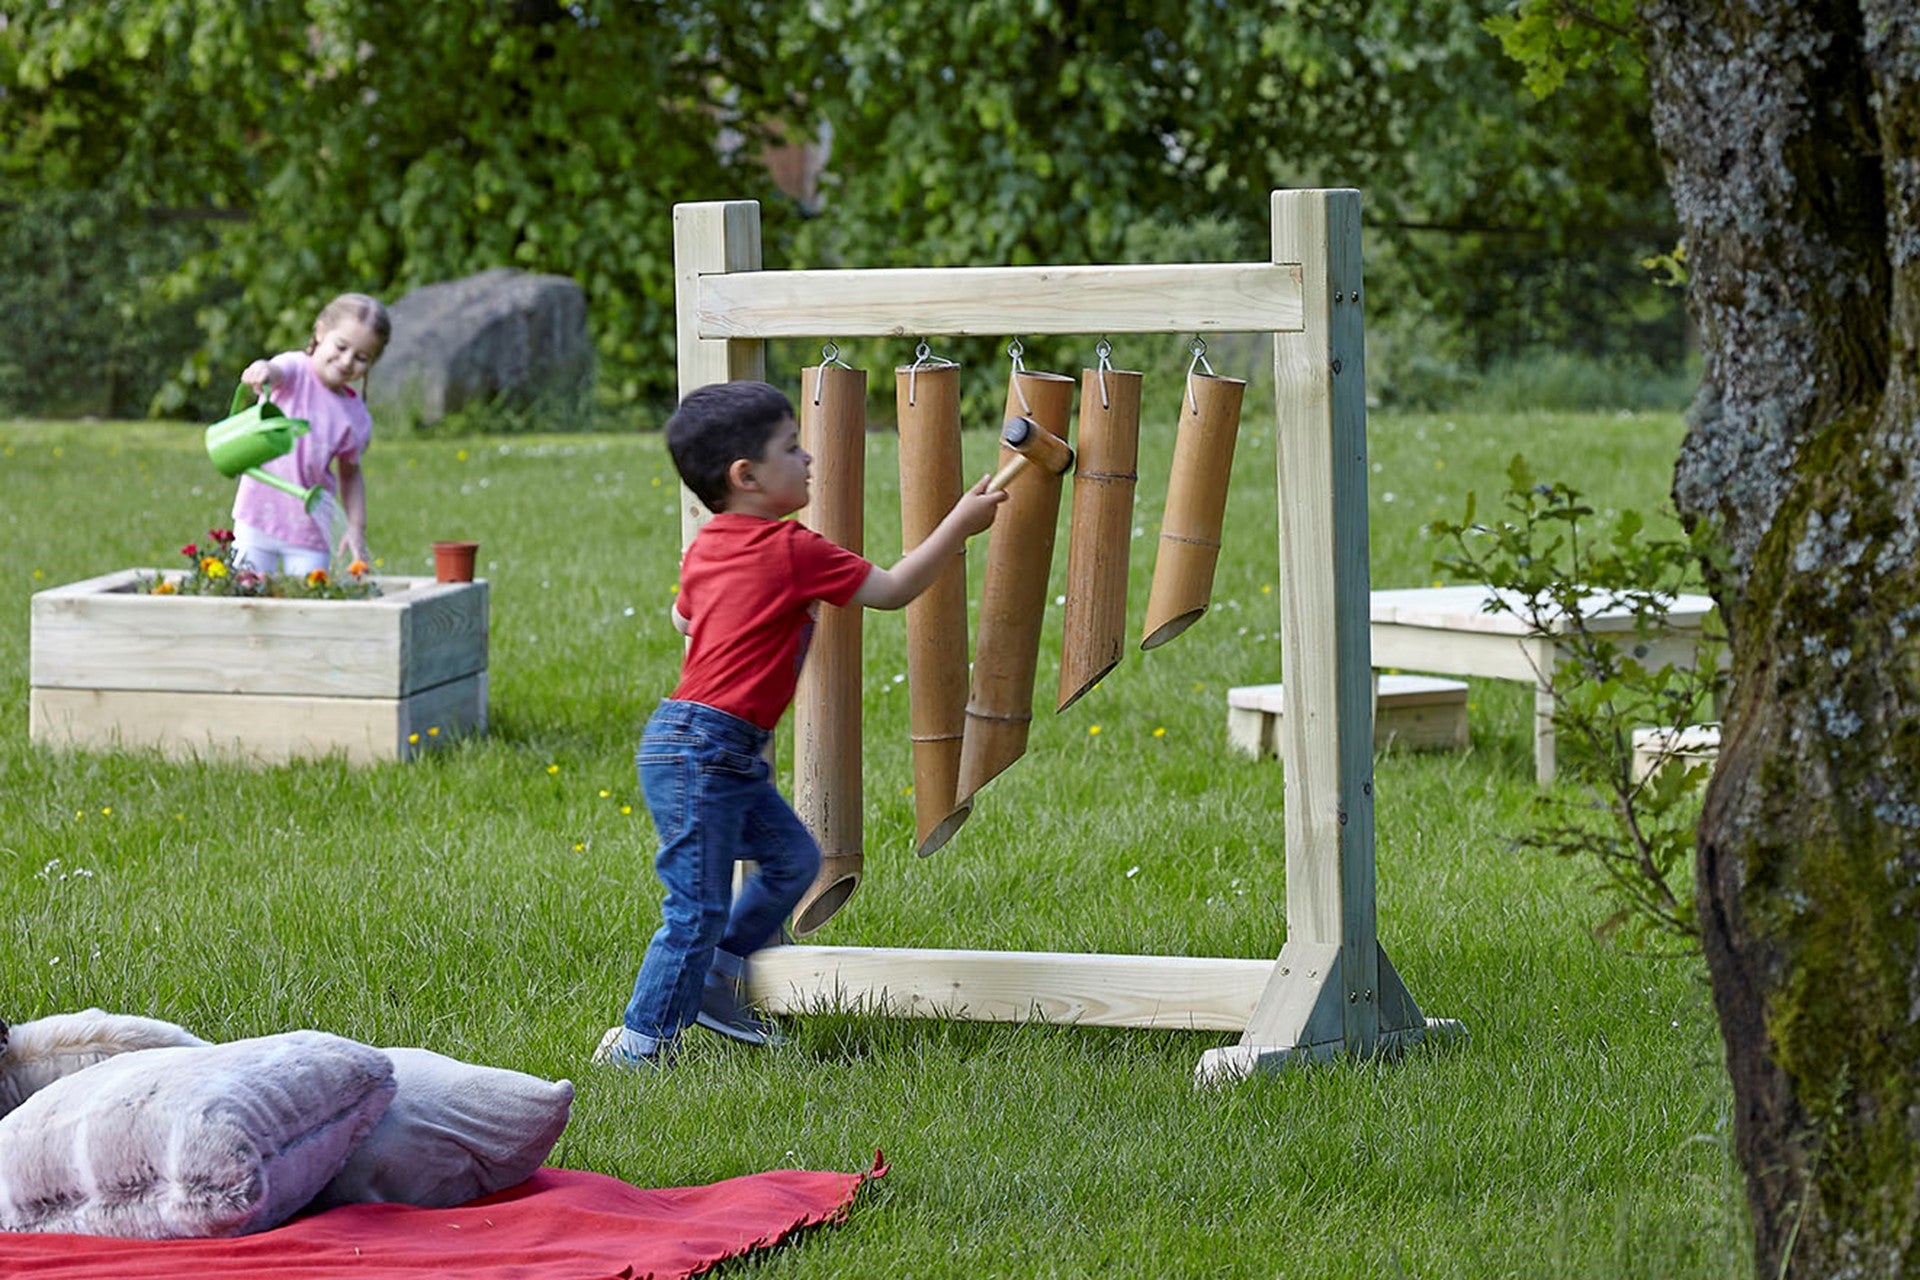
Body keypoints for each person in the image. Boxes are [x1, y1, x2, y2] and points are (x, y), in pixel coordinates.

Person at [595, 380, 1008, 1069]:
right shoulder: (795, 550)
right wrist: (959, 524)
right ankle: (640, 1044)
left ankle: (721, 976)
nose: (810, 458)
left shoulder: (708, 544)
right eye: (792, 447)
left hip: (701, 746)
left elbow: (683, 621)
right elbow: (894, 589)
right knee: (692, 908)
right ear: (746, 476)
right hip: (705, 749)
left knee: (795, 860)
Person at [230, 293, 390, 576]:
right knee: (246, 596)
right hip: (257, 514)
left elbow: (350, 473)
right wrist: (263, 369)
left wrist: (356, 527)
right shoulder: (295, 370)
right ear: (320, 332)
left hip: (310, 527)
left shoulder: (355, 417)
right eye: (341, 347)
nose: (346, 361)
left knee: (309, 605)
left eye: (361, 358)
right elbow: (276, 371)